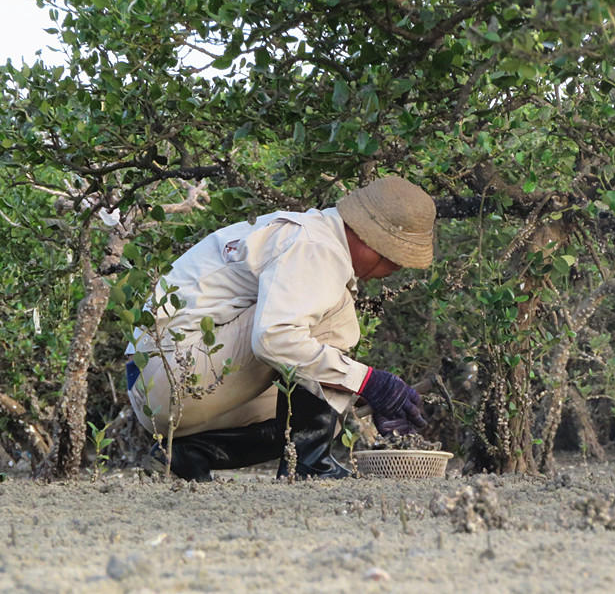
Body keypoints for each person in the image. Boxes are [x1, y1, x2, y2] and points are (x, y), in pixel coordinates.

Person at [124, 175, 435, 481]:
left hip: (160, 388)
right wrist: (370, 382)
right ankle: (310, 467)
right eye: (395, 261)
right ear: (371, 241)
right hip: (171, 378)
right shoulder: (317, 247)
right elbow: (274, 339)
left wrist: (354, 389)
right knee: (331, 314)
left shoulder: (311, 235)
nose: (392, 272)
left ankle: (188, 454)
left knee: (321, 413)